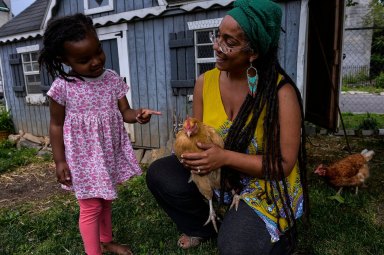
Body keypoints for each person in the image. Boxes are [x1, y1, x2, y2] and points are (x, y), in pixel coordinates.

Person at [146, 0, 309, 254]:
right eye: (217, 36)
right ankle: (205, 227)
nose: (216, 46)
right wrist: (194, 155)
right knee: (160, 173)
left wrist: (223, 158)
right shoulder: (205, 82)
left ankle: (280, 235)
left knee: (235, 248)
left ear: (253, 53)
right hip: (221, 175)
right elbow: (198, 134)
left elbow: (283, 165)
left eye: (229, 42)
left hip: (264, 182)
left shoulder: (281, 94)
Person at [39, 13, 161, 255]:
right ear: (65, 60)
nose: (96, 61)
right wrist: (59, 160)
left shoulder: (112, 79)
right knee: (91, 206)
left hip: (107, 152)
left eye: (98, 52)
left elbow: (124, 111)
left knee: (105, 200)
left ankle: (106, 241)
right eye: (85, 59)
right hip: (83, 158)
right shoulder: (63, 87)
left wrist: (138, 115)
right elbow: (56, 125)